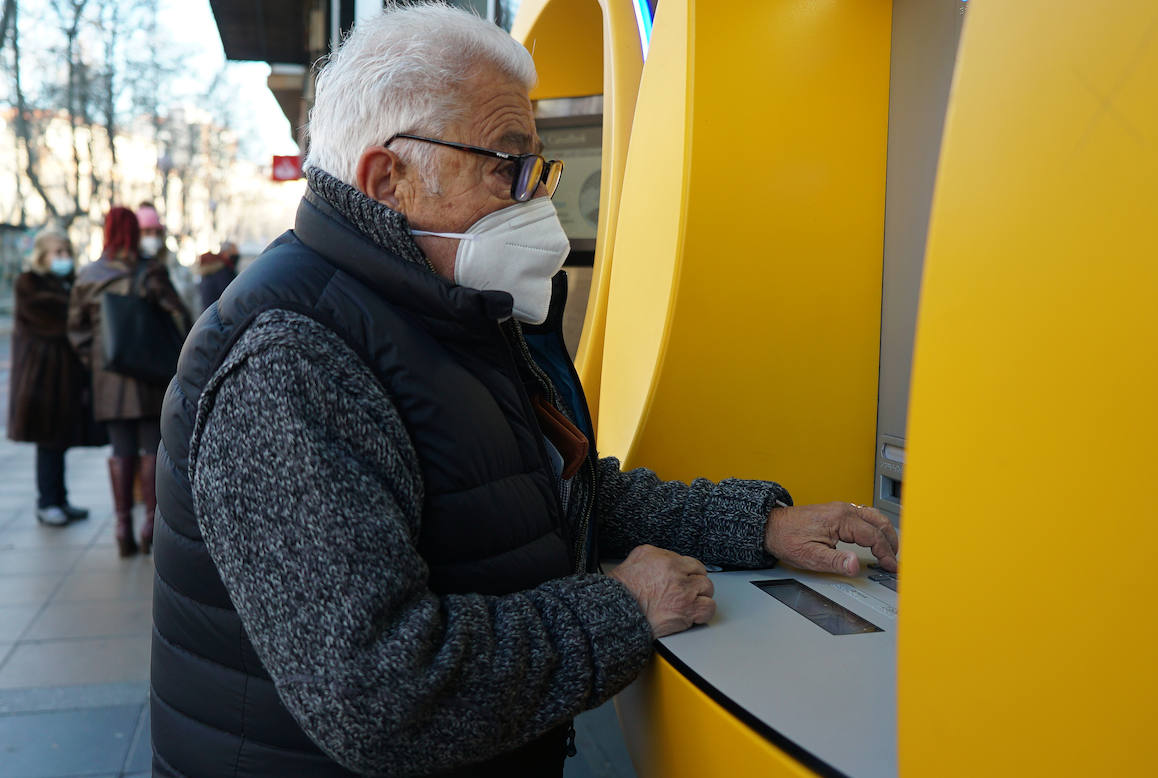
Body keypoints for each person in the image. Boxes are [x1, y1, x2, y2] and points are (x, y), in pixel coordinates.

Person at [150, 5, 901, 776]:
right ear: (388, 179)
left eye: (537, 169)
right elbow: (383, 693)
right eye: (506, 166)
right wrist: (621, 610)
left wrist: (760, 526)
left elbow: (556, 498)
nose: (536, 202)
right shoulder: (294, 360)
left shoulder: (440, 310)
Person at [68, 206, 188, 557]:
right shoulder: (149, 270)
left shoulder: (88, 276)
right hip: (149, 375)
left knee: (120, 449)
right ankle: (150, 522)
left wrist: (98, 361)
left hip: (109, 379)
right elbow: (178, 312)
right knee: (152, 447)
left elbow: (76, 332)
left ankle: (122, 525)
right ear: (135, 234)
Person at [7, 227, 102, 526]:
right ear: (42, 256)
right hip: (42, 376)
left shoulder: (69, 284)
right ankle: (47, 502)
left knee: (58, 439)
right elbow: (59, 321)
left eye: (66, 253)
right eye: (57, 253)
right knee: (48, 440)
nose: (64, 258)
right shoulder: (29, 284)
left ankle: (59, 498)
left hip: (64, 374)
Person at [136, 202, 196, 319]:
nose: (153, 237)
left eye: (156, 232)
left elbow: (189, 300)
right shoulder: (131, 265)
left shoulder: (173, 262)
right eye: (147, 232)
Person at [194, 242, 238, 312]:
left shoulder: (208, 273)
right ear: (225, 253)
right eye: (234, 251)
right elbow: (229, 295)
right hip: (223, 313)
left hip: (211, 314)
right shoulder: (222, 271)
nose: (237, 253)